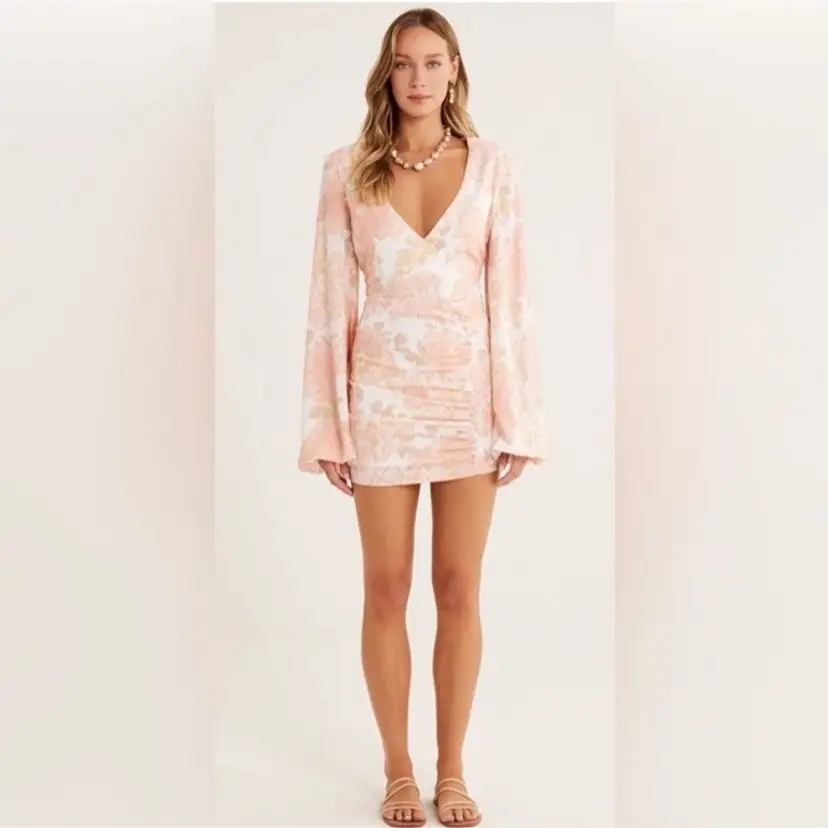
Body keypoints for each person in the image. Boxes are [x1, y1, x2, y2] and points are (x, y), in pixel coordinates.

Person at [297, 7, 547, 827]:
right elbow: (329, 303)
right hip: (380, 405)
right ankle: (398, 771)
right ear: (387, 72)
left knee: (459, 586)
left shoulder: (493, 167)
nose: (418, 77)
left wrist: (517, 416)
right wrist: (328, 424)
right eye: (404, 63)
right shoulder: (346, 170)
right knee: (386, 585)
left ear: (454, 71)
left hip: (466, 402)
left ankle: (454, 770)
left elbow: (510, 295)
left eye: (433, 62)